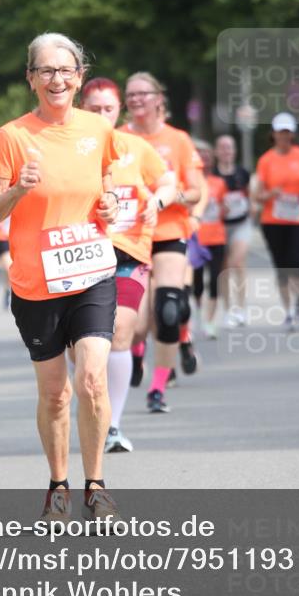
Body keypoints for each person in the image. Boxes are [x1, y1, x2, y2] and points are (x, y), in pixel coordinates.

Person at [0, 32, 121, 520]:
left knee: (93, 380)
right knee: (55, 393)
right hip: (35, 281)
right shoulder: (12, 137)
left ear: (79, 78)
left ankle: (97, 483)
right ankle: (58, 483)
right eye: (46, 71)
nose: (56, 79)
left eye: (66, 70)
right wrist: (18, 188)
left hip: (91, 273)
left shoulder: (98, 131)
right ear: (31, 79)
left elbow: (108, 189)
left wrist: (111, 203)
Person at [80, 77, 176, 451]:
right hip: (82, 253)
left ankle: (113, 426)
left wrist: (158, 201)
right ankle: (94, 407)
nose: (102, 115)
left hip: (128, 252)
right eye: (94, 109)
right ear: (81, 109)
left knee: (120, 330)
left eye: (109, 109)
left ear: (118, 110)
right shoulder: (71, 149)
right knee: (85, 350)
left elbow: (167, 181)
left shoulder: (135, 147)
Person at [120, 72, 205, 413]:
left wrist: (175, 197)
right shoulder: (117, 138)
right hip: (128, 236)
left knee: (169, 310)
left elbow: (196, 190)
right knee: (135, 326)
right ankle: (137, 351)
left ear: (159, 99)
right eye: (131, 94)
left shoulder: (178, 140)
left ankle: (157, 389)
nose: (137, 99)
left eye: (144, 93)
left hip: (169, 233)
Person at [254, 112, 299, 328]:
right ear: (273, 134)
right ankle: (288, 310)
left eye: (287, 132)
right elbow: (258, 195)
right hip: (273, 219)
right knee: (281, 265)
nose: (284, 136)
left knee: (296, 262)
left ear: (293, 134)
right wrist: (271, 194)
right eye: (280, 132)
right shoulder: (266, 160)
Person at [215, 134, 252, 327]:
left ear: (234, 151)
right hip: (220, 226)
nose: (226, 151)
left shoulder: (242, 173)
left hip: (241, 224)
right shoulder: (213, 174)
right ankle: (228, 309)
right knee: (224, 267)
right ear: (216, 151)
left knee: (236, 262)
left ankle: (241, 308)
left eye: (229, 147)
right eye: (222, 147)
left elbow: (249, 194)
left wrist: (251, 207)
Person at [192, 142, 228, 338]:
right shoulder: (189, 182)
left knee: (215, 279)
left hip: (217, 237)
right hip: (196, 238)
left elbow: (224, 209)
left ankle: (210, 321)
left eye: (207, 154)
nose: (204, 158)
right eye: (200, 154)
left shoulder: (219, 183)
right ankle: (198, 315)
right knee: (197, 282)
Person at [0, 215, 12, 309]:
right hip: (3, 237)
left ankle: (11, 290)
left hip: (22, 236)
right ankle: (8, 290)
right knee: (8, 267)